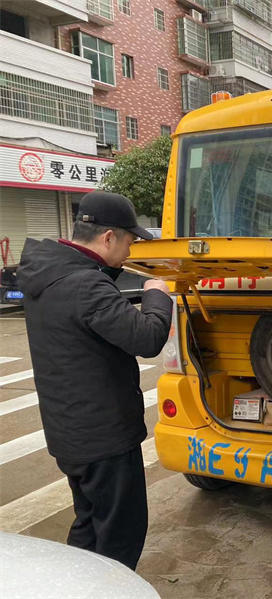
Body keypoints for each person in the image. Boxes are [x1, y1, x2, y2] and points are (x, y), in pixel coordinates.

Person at [17, 190, 172, 570]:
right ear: (108, 238)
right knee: (120, 534)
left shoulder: (49, 275)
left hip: (70, 434)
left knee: (88, 523)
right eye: (130, 242)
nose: (132, 251)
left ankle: (80, 585)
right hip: (105, 439)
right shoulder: (86, 286)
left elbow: (93, 316)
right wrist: (157, 294)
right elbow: (148, 338)